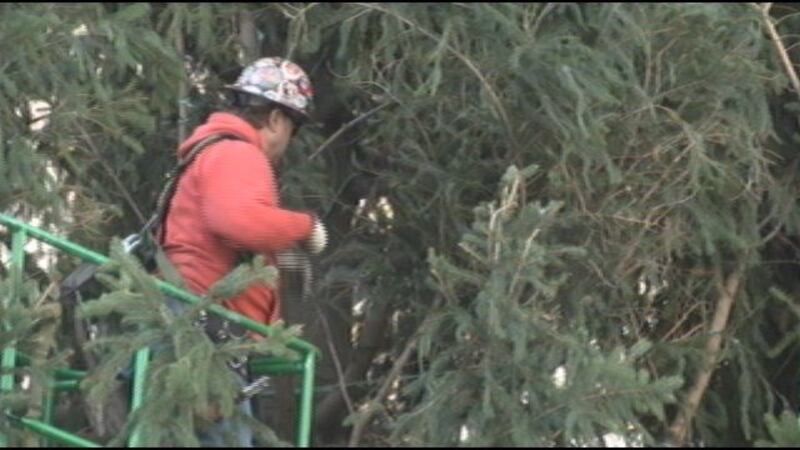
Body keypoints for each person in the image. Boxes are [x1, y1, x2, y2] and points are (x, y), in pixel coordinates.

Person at [160, 56, 328, 446]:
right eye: (294, 128)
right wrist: (305, 226)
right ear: (275, 120)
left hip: (202, 330)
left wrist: (283, 251)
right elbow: (238, 221)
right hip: (202, 330)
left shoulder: (213, 153)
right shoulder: (238, 153)